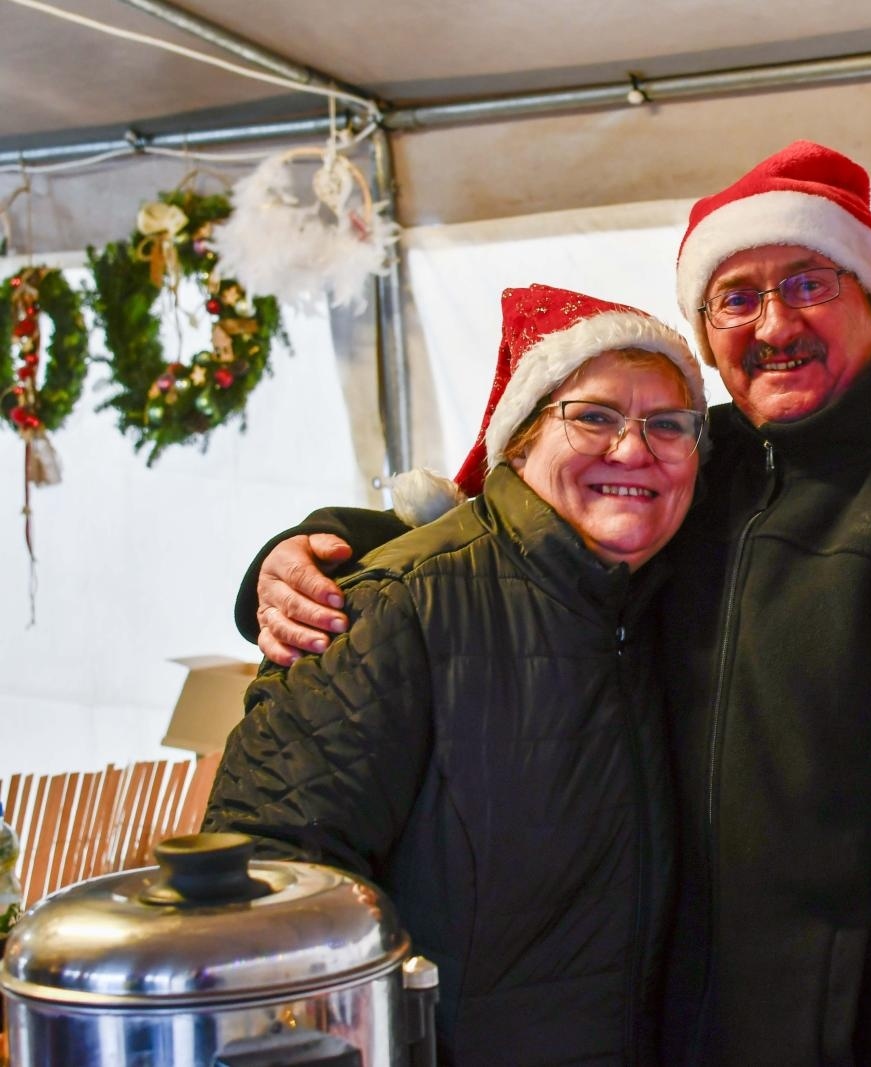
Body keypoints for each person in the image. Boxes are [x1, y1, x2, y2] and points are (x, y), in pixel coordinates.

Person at [234, 143, 871, 1065]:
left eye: (809, 282)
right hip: (663, 1030)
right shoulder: (689, 461)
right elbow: (500, 533)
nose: (775, 322)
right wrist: (315, 550)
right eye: (737, 297)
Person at [206, 285, 707, 1066]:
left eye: (667, 424)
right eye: (595, 415)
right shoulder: (395, 606)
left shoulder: (666, 600)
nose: (633, 449)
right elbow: (267, 886)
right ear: (518, 441)